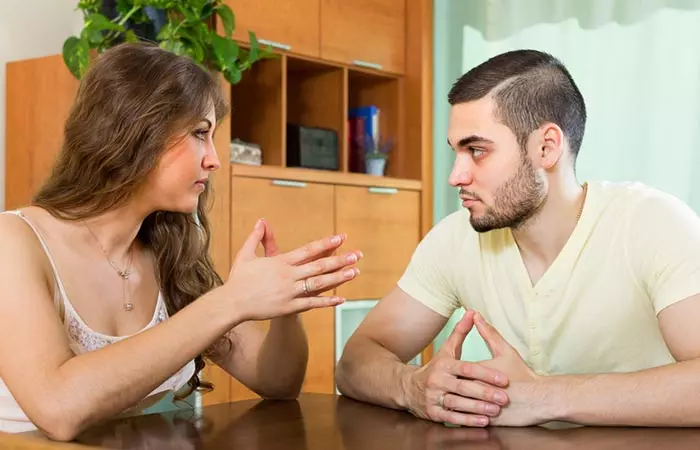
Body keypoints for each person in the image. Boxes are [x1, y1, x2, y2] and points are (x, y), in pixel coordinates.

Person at [0, 42, 361, 440]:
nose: (214, 159)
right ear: (136, 130)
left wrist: (284, 301)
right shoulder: (14, 242)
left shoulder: (168, 254)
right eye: (199, 134)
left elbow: (277, 381)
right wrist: (231, 301)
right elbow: (58, 408)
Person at [336, 49, 700, 428]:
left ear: (546, 147)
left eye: (477, 151)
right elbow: (354, 362)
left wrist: (544, 396)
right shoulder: (455, 239)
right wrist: (411, 386)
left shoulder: (652, 223)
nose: (456, 175)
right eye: (457, 152)